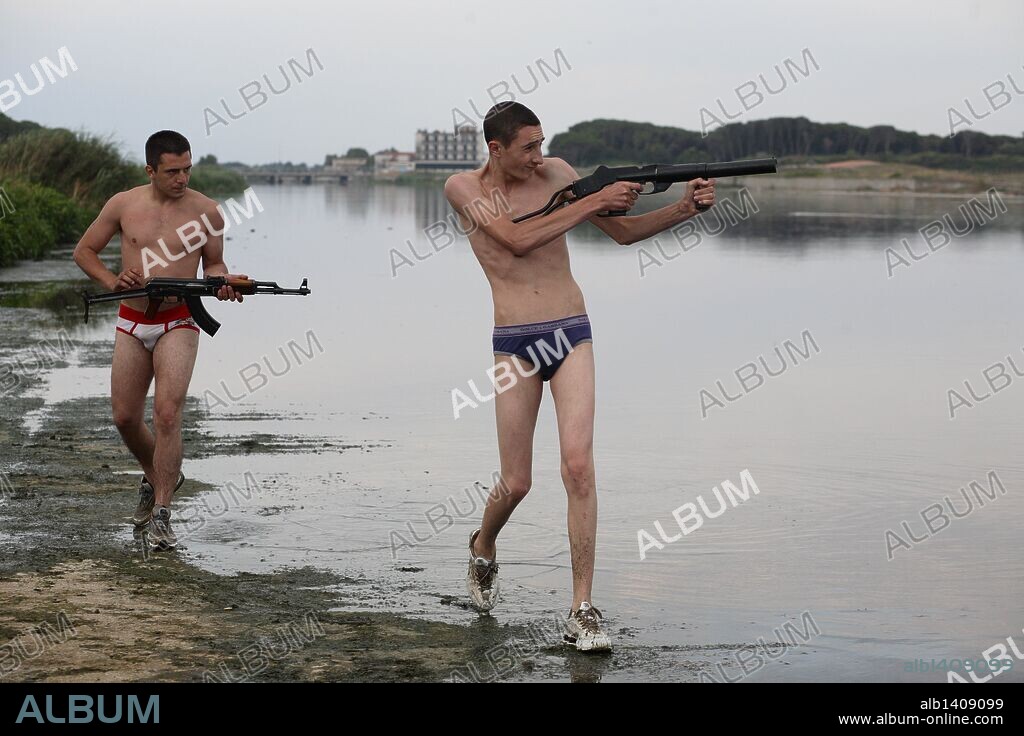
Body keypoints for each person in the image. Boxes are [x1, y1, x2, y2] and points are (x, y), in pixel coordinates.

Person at [444, 102, 716, 651]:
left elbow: (623, 233)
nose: (538, 156)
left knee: (578, 468)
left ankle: (582, 609)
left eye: (542, 143)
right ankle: (483, 546)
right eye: (528, 147)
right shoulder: (463, 187)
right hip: (515, 344)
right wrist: (592, 199)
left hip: (572, 332)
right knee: (516, 482)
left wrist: (684, 209)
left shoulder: (560, 174)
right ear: (495, 149)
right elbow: (515, 241)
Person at [73, 130, 246, 551]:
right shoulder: (123, 204)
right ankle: (157, 476)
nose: (182, 178)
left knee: (168, 414)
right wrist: (115, 281)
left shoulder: (207, 211)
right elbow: (84, 252)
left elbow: (215, 263)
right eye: (172, 171)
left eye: (187, 169)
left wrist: (222, 282)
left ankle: (164, 514)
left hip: (180, 319)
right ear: (150, 170)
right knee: (125, 417)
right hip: (132, 319)